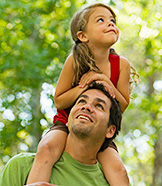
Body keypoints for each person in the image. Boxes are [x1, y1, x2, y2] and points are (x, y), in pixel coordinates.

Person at [27, 3, 139, 186]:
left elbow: (123, 104)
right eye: (101, 20)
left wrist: (104, 80)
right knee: (46, 149)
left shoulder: (122, 65)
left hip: (98, 130)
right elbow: (60, 100)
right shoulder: (74, 60)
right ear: (82, 35)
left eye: (112, 21)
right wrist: (86, 85)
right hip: (66, 122)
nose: (110, 24)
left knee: (119, 171)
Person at [0, 82, 122, 186]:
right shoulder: (21, 167)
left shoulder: (111, 182)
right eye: (81, 101)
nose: (86, 107)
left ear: (110, 131)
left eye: (99, 106)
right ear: (68, 119)